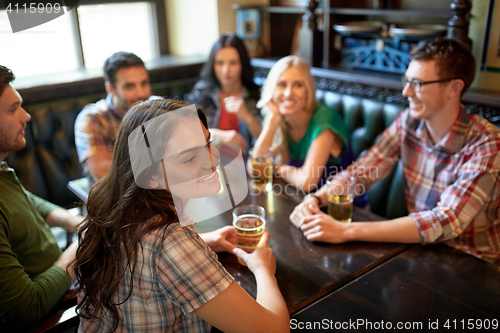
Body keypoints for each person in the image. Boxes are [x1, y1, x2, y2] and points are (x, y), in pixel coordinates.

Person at [74, 99, 289, 332]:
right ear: (151, 176)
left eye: (208, 143)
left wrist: (206, 241)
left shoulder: (116, 205)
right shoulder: (172, 243)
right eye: (189, 158)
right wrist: (263, 270)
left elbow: (144, 257)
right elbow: (274, 329)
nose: (212, 160)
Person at [290, 38, 500, 264]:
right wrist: (317, 198)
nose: (406, 91)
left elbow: (445, 220)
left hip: (475, 266)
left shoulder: (486, 143)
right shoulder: (408, 121)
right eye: (406, 80)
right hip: (421, 253)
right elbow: (362, 170)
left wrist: (345, 231)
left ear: (454, 88)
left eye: (417, 83)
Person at [0, 65, 82, 330]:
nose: (26, 116)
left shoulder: (1, 170)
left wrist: (72, 220)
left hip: (59, 274)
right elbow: (27, 308)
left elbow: (26, 199)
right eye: (12, 110)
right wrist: (78, 250)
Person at [252, 55, 353, 193]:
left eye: (298, 85)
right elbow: (254, 169)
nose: (288, 93)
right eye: (282, 84)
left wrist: (280, 168)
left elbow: (307, 182)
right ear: (271, 90)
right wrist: (272, 120)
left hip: (342, 207)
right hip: (302, 202)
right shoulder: (282, 119)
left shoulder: (324, 117)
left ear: (308, 89)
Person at [74, 51, 152, 182]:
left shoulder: (157, 107)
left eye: (144, 83)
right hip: (114, 199)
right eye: (129, 86)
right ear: (111, 89)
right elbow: (105, 177)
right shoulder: (93, 119)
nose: (141, 93)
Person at [186, 33, 262, 153]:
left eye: (233, 63)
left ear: (242, 64)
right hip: (210, 166)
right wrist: (216, 135)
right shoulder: (202, 93)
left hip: (247, 167)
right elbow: (184, 134)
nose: (226, 70)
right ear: (213, 65)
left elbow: (268, 145)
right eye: (220, 63)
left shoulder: (257, 96)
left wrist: (248, 118)